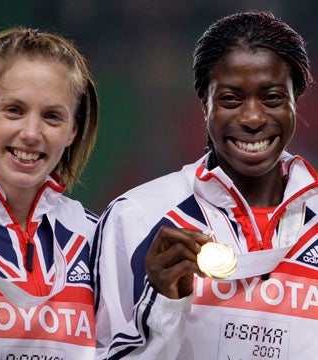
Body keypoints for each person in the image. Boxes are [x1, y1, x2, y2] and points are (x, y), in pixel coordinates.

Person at [92, 11, 318, 359]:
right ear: (204, 105)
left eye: (272, 97)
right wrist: (164, 304)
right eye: (230, 99)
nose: (253, 118)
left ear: (295, 101)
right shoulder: (135, 217)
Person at [0, 27, 99, 359]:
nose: (30, 133)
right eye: (14, 110)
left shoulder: (94, 236)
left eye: (52, 117)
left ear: (72, 131)